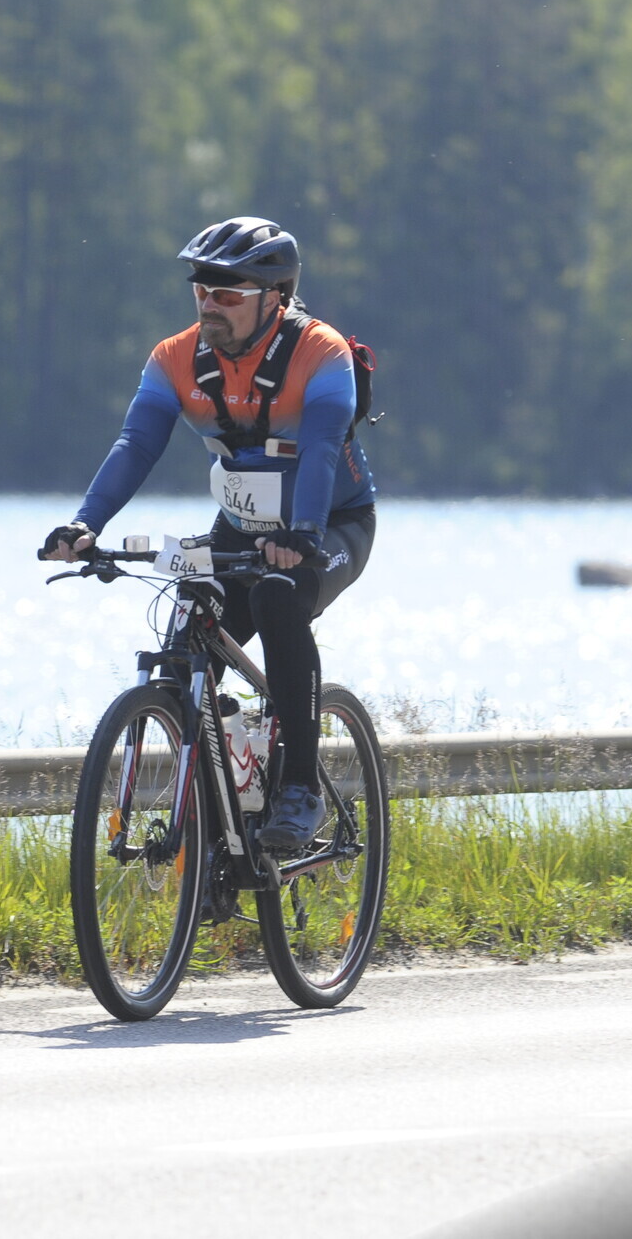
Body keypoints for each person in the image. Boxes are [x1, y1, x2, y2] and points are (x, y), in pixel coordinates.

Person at [40, 217, 377, 851]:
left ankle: (299, 788)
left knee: (277, 597)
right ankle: (224, 808)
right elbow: (136, 444)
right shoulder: (175, 359)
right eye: (201, 290)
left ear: (275, 297)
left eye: (226, 293)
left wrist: (303, 533)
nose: (208, 304)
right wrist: (86, 524)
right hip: (241, 526)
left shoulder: (321, 353)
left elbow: (322, 448)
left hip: (331, 524)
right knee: (188, 636)